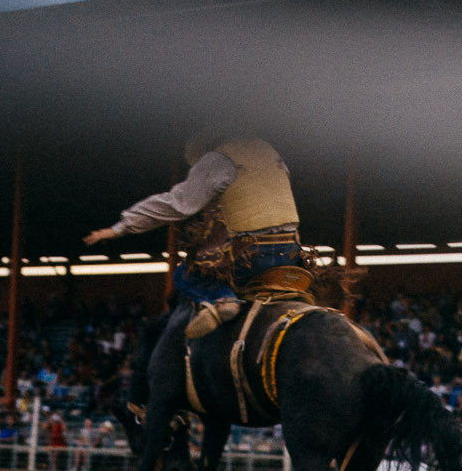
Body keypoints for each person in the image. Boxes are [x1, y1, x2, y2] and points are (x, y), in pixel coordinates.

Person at [84, 132, 306, 338]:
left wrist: (121, 227)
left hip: (253, 256)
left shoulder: (217, 159)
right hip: (291, 254)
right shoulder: (270, 153)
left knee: (185, 275)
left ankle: (223, 299)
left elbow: (177, 205)